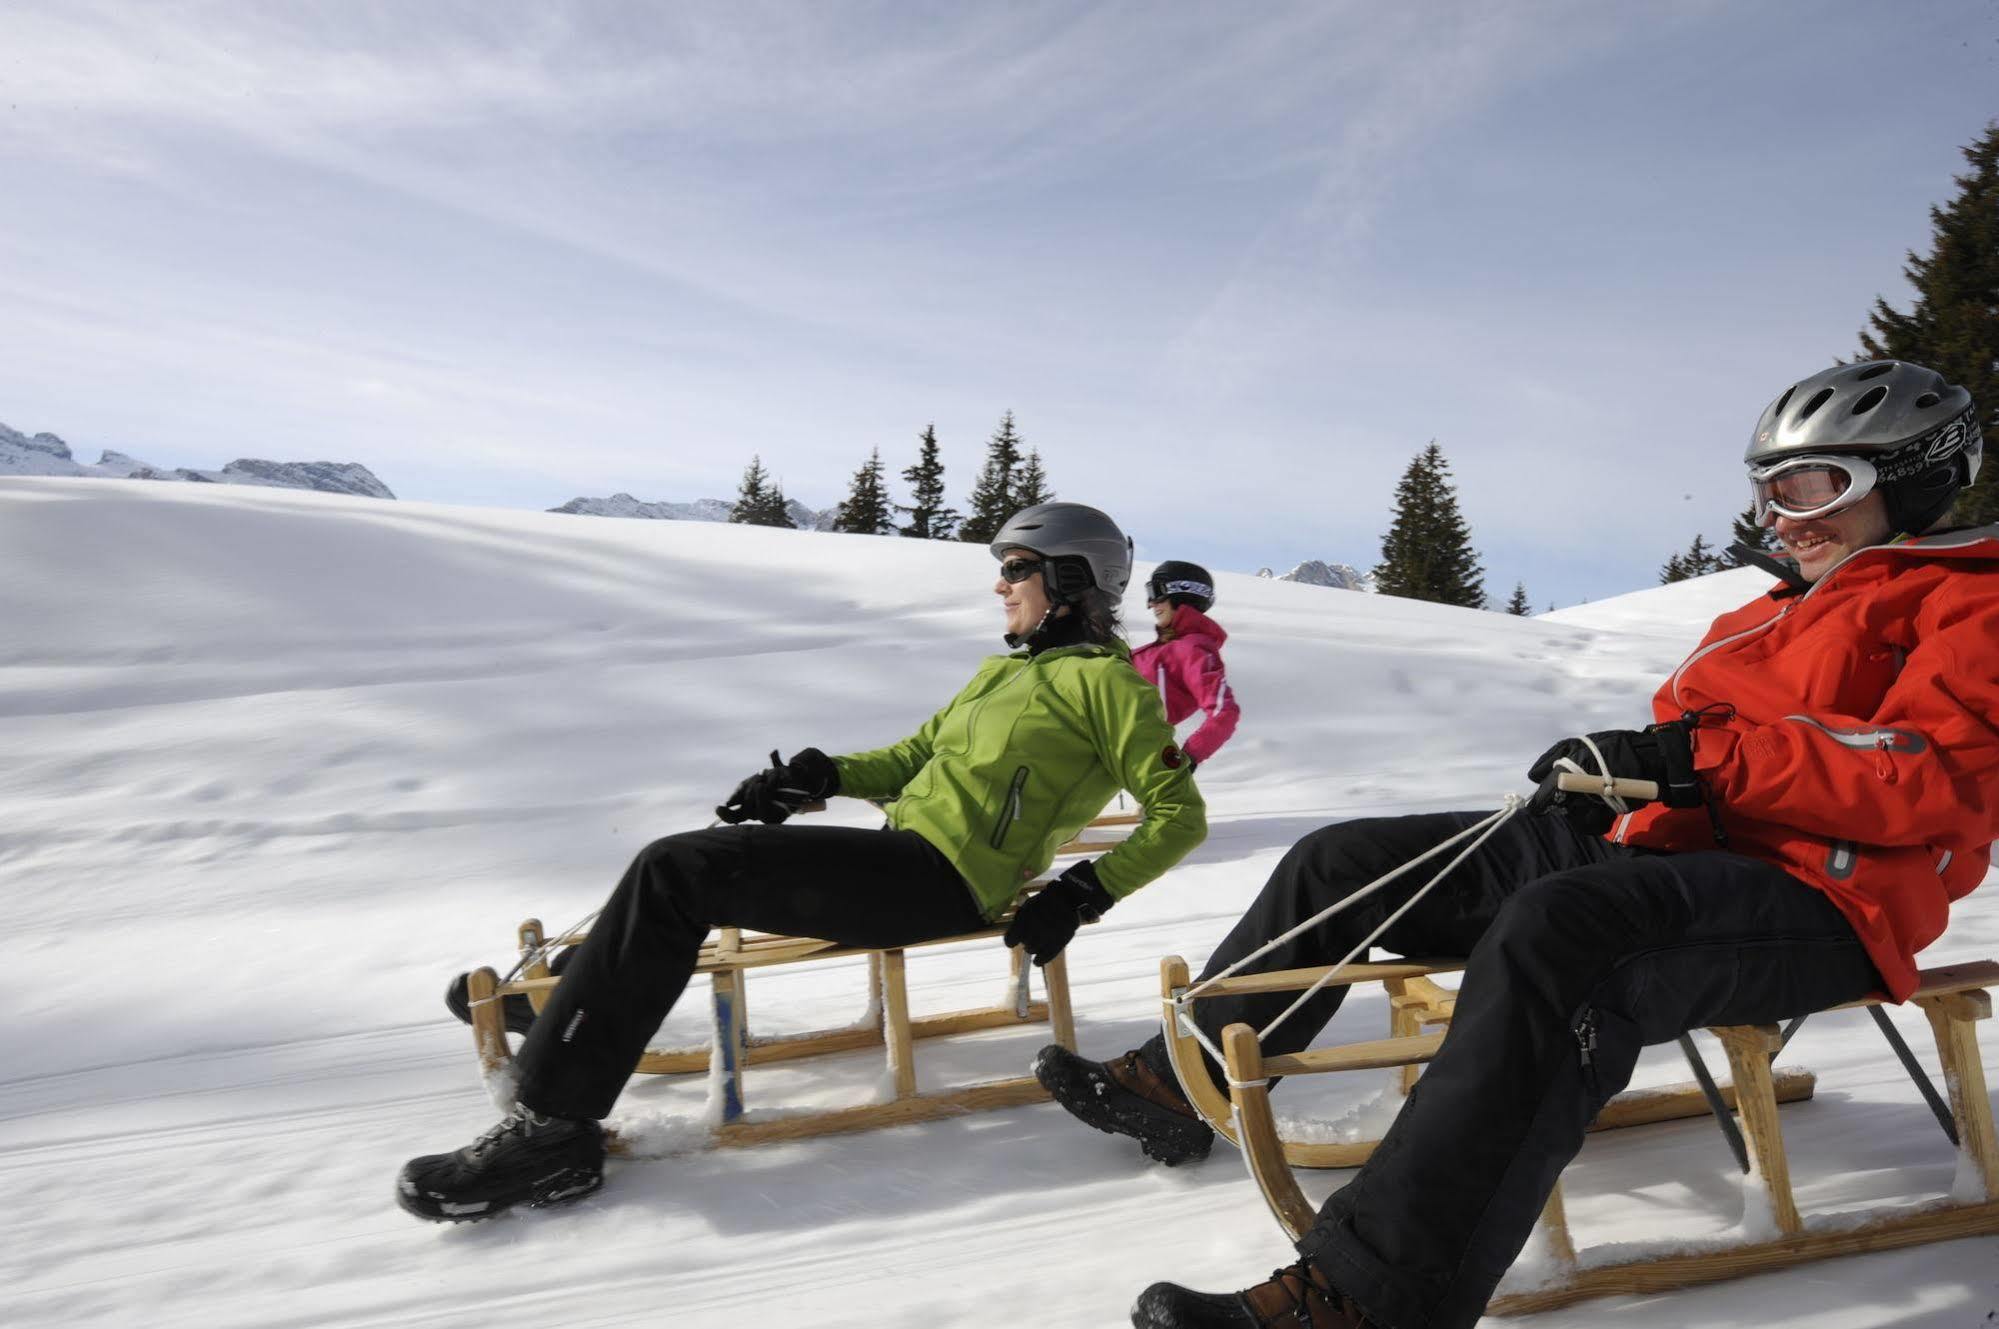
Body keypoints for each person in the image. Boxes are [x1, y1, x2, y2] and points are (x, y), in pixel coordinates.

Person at [1079, 361, 1991, 1329]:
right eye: (1765, 490)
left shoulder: (1969, 601)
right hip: (1673, 857)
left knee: (1563, 931)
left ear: (1913, 474)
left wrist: (1694, 762)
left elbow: (1943, 777)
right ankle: (1185, 1086)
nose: (1779, 516)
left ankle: (1366, 1296)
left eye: (1810, 486)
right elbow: (1709, 755)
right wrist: (1623, 783)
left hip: (1822, 901)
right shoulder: (1766, 613)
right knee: (1347, 863)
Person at [395, 501, 1206, 1223]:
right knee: (681, 869)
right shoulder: (1006, 671)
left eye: (1016, 570)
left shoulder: (1110, 685)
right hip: (900, 856)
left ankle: (552, 1132)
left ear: (1071, 578)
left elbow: (1180, 815)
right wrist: (820, 775)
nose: (1000, 585)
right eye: (1002, 570)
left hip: (941, 881)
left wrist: (1080, 892)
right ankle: (577, 999)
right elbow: (916, 755)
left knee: (677, 870)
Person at [1131, 561, 1241, 770]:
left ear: (1181, 593)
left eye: (1155, 592)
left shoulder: (1193, 649)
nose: (1150, 604)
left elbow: (1225, 713)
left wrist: (1188, 758)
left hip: (1116, 751)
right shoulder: (1157, 650)